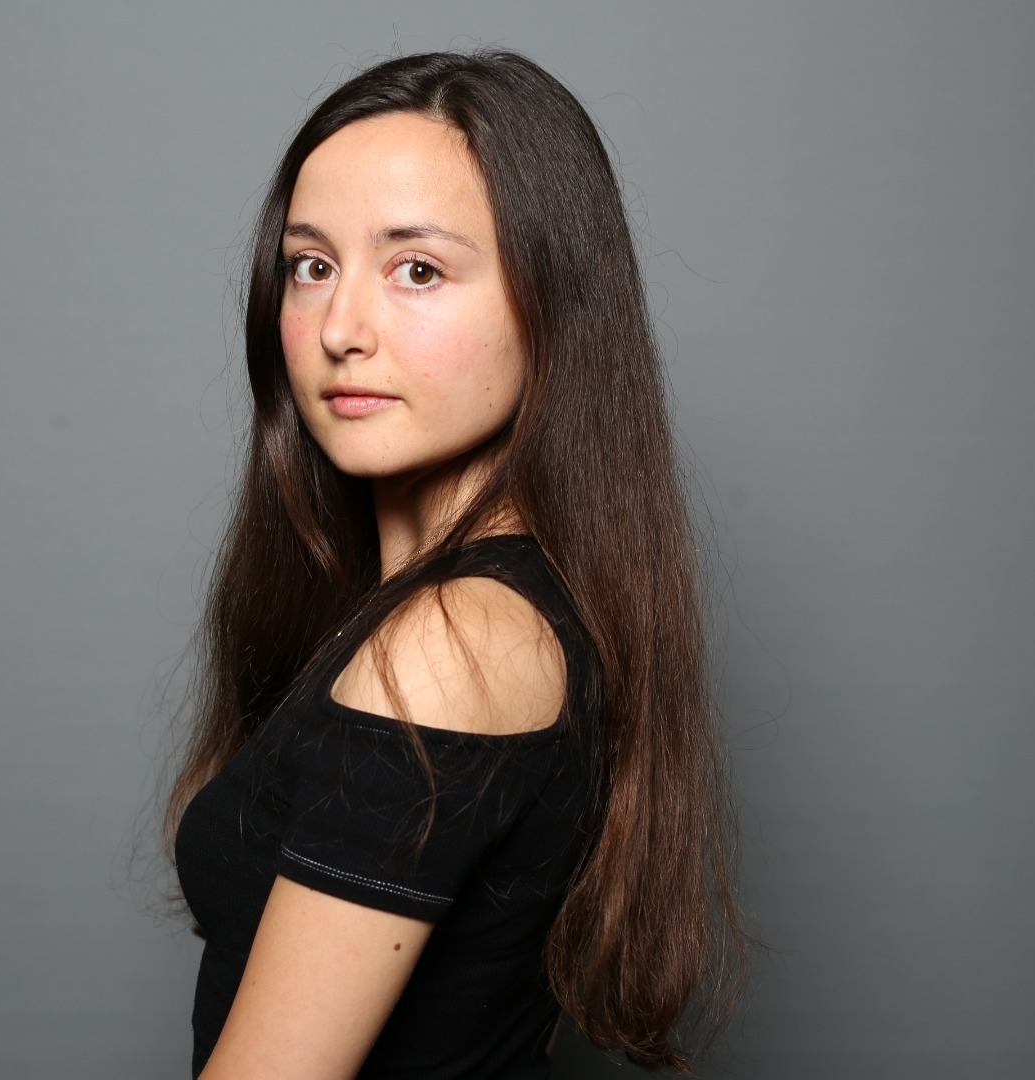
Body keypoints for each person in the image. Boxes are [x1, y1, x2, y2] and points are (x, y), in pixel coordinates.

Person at [163, 49, 750, 1078]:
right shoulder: (490, 612)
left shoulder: (450, 646)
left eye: (419, 271)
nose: (341, 330)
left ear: (551, 306)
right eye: (311, 266)